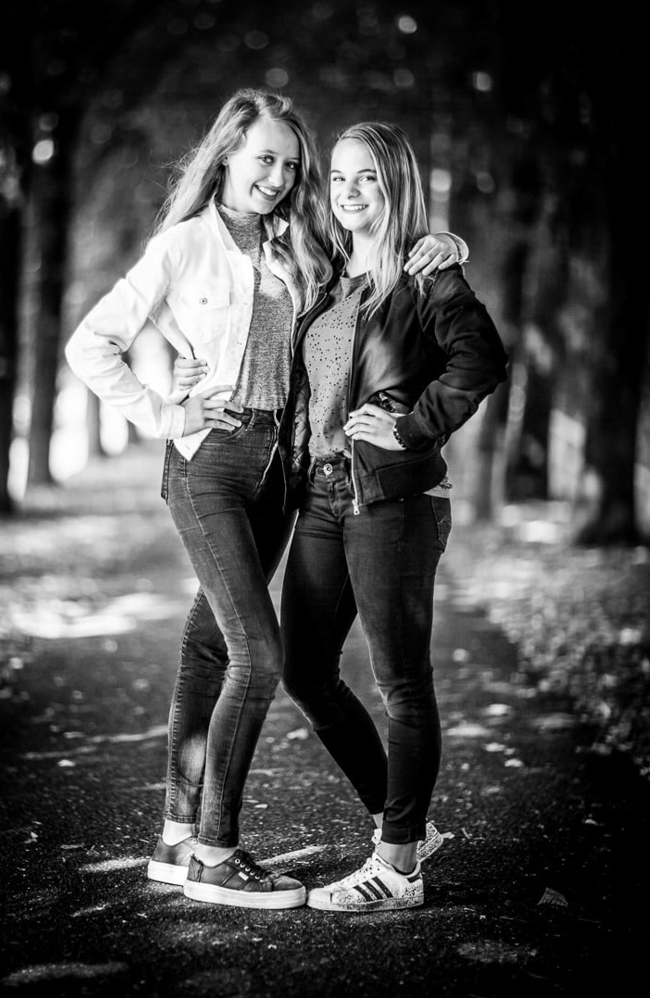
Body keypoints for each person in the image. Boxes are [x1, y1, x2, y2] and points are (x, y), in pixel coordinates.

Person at [65, 89, 467, 911]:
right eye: (264, 160)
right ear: (226, 156)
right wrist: (164, 411)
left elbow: (371, 255)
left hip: (284, 470)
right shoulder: (184, 244)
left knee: (210, 642)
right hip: (212, 460)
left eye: (290, 164)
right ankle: (214, 856)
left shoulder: (299, 243)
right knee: (260, 654)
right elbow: (91, 343)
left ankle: (176, 838)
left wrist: (443, 242)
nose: (278, 177)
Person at [278, 121, 508, 912]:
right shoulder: (331, 271)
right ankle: (402, 824)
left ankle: (398, 866)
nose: (348, 192)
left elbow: (480, 357)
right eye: (339, 177)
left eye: (367, 177)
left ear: (395, 184)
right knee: (304, 670)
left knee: (401, 682)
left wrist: (412, 428)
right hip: (322, 493)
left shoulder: (424, 272)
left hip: (393, 499)